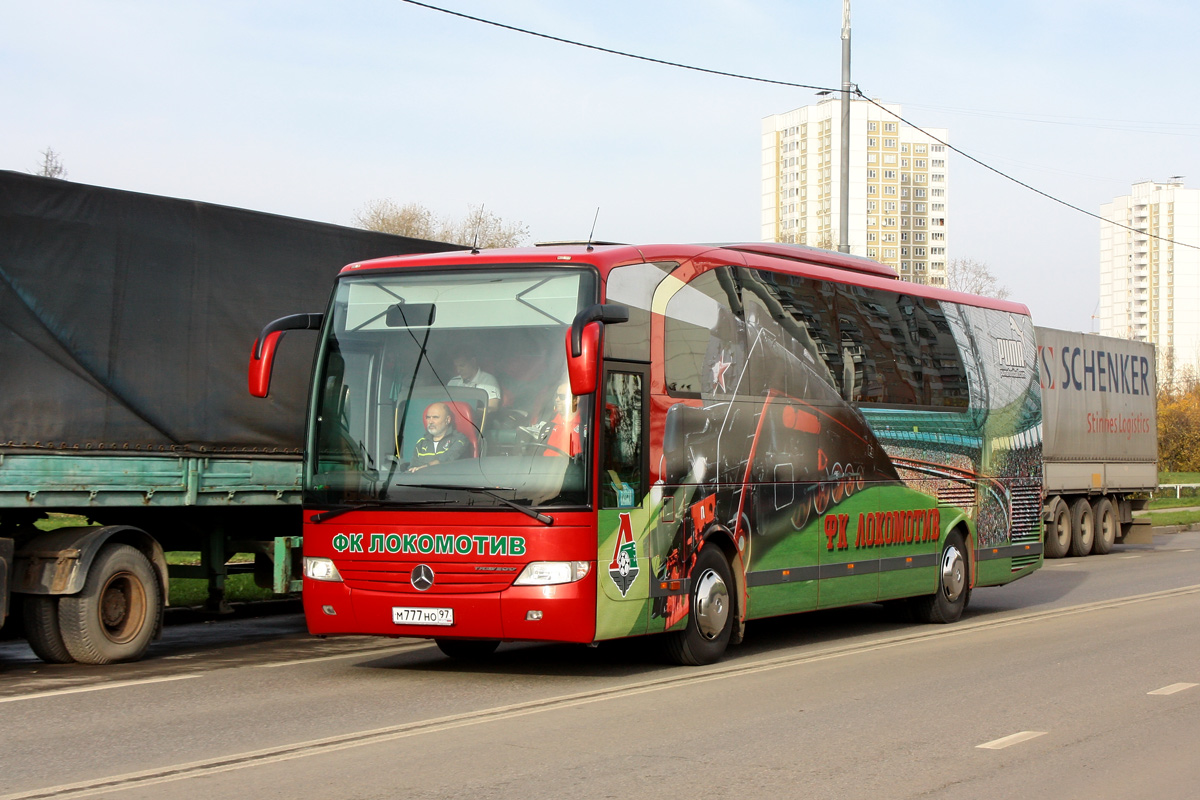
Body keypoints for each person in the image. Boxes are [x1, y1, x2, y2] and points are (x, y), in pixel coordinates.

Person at [408, 402, 471, 471]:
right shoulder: (421, 443)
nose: (430, 421)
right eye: (428, 417)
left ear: (447, 420)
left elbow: (447, 458)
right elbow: (412, 470)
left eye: (435, 417)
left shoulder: (460, 439)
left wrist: (427, 467)